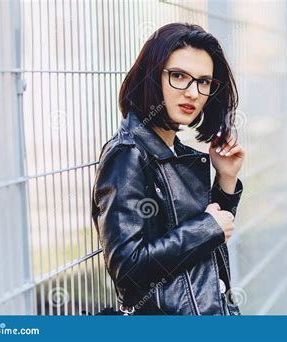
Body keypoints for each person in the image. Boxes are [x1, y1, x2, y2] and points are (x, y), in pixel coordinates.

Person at [91, 23, 245, 315]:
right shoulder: (128, 156)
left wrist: (226, 178)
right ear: (151, 76)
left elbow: (208, 245)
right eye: (179, 77)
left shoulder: (178, 153)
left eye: (203, 82)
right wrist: (207, 229)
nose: (192, 92)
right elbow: (127, 267)